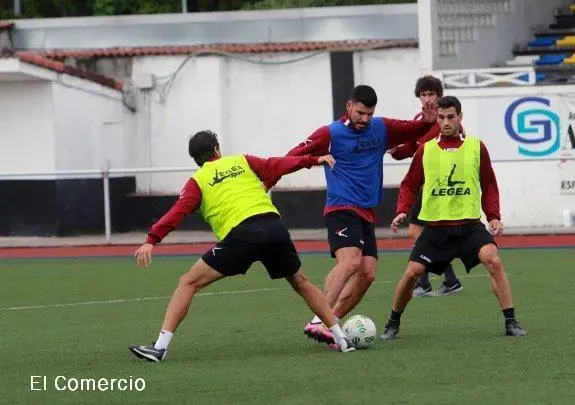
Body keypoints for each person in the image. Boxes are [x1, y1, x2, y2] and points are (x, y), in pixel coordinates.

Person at [129, 130, 356, 362]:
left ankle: (159, 348)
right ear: (217, 149)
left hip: (243, 235)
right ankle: (341, 338)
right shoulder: (241, 161)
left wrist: (151, 240)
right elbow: (276, 165)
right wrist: (312, 160)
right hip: (274, 227)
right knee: (301, 282)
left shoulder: (197, 181)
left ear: (196, 159)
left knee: (188, 282)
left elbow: (176, 213)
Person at [264, 85, 437, 345]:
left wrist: (427, 120)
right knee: (351, 261)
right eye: (360, 113)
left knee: (367, 274)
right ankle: (318, 319)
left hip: (367, 212)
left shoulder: (382, 128)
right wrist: (273, 176)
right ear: (348, 106)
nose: (364, 119)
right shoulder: (330, 134)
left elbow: (415, 130)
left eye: (369, 113)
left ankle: (327, 323)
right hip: (341, 207)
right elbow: (293, 156)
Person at [380, 95, 527, 340]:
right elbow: (409, 184)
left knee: (494, 261)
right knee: (411, 274)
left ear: (460, 117)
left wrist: (493, 216)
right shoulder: (426, 150)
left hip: (469, 227)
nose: (446, 122)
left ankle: (511, 321)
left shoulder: (476, 147)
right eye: (441, 118)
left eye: (451, 117)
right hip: (436, 230)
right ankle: (393, 321)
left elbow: (489, 183)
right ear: (436, 118)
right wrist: (402, 209)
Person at [389, 75, 463, 297]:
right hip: (425, 185)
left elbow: (435, 145)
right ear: (419, 96)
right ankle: (447, 280)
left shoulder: (445, 121)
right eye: (424, 94)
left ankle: (425, 282)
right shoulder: (419, 119)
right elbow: (414, 146)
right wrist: (396, 151)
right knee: (427, 234)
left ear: (439, 95)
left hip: (440, 185)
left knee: (416, 231)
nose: (428, 98)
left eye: (432, 94)